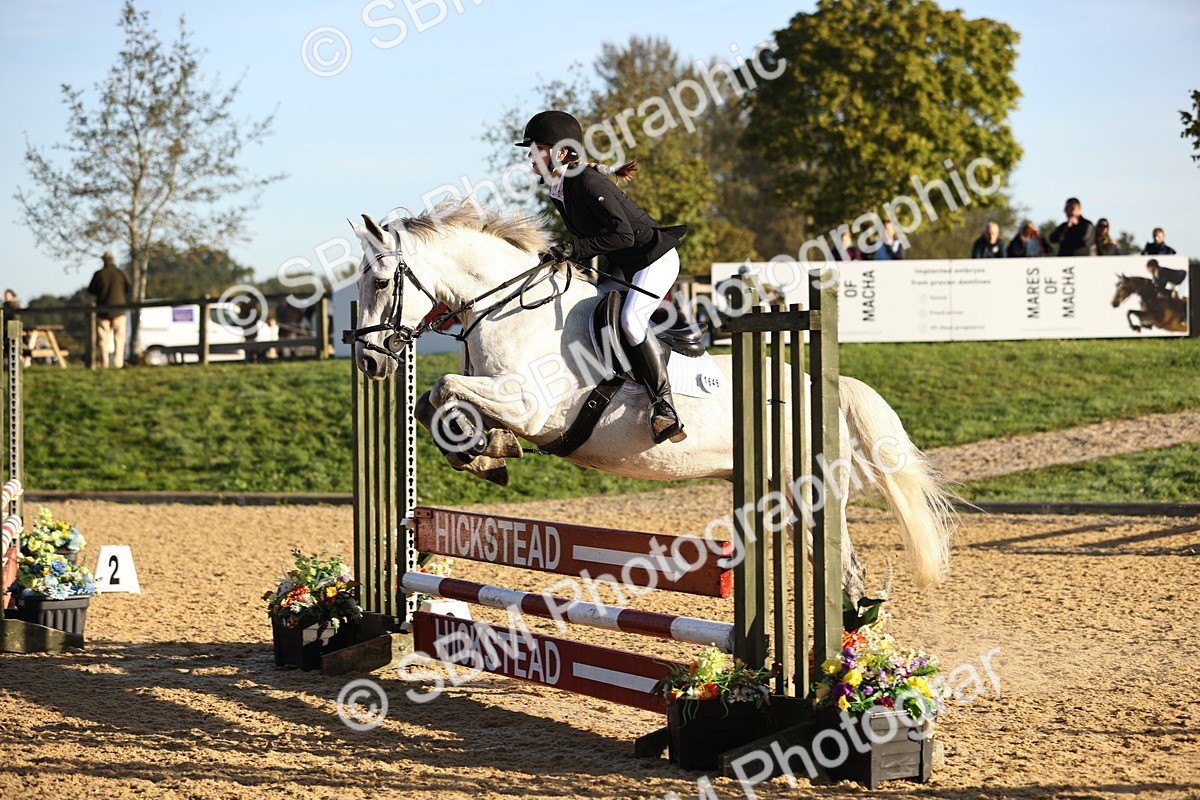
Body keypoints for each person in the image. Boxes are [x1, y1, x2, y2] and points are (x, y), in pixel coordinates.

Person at [516, 110, 688, 444]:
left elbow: (622, 235)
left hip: (653, 259)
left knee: (631, 322)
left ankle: (664, 405)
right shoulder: (560, 188)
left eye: (537, 149)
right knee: (584, 310)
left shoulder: (586, 181)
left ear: (561, 152)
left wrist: (572, 249)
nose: (530, 156)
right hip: (623, 264)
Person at [86, 251, 132, 368]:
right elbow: (129, 287)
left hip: (103, 311)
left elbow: (91, 290)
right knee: (119, 339)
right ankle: (118, 363)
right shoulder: (122, 273)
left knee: (103, 340)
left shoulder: (99, 274)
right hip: (119, 311)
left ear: (103, 260)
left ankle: (104, 363)